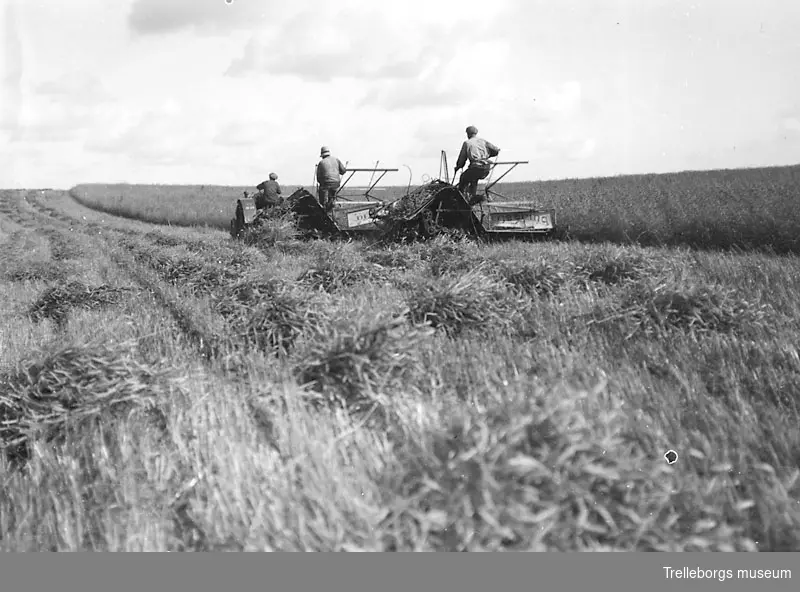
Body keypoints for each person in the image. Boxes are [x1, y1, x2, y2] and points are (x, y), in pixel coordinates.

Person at [454, 126, 500, 204]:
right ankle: (472, 197)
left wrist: (458, 166)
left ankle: (461, 200)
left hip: (476, 167)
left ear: (468, 134)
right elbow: (496, 150)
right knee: (473, 178)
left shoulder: (467, 143)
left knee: (463, 177)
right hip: (486, 168)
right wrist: (487, 155)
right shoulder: (483, 141)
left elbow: (462, 158)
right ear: (476, 133)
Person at [315, 146, 347, 211]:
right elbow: (343, 171)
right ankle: (331, 207)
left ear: (322, 155)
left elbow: (318, 178)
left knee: (323, 202)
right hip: (336, 184)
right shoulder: (336, 160)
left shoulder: (321, 163)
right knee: (332, 198)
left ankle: (324, 209)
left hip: (325, 185)